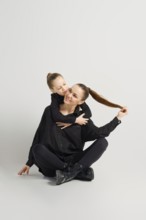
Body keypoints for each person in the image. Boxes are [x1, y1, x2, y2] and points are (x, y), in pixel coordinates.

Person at [18, 83, 128, 185]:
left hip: (74, 159)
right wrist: (29, 162)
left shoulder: (83, 119)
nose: (69, 95)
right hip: (52, 165)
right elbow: (39, 135)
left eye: (75, 95)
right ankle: (74, 172)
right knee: (37, 149)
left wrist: (118, 118)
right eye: (70, 90)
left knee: (103, 142)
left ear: (81, 102)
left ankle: (70, 173)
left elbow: (100, 133)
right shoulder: (50, 111)